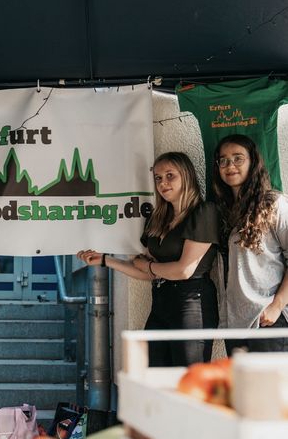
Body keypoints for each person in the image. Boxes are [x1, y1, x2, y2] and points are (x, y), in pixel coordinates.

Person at [77, 152, 219, 366]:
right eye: (158, 178)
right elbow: (147, 273)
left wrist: (149, 266)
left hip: (192, 302)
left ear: (186, 176)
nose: (163, 183)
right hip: (160, 302)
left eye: (170, 175)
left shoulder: (203, 212)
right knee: (153, 372)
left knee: (187, 376)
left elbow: (183, 271)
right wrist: (105, 260)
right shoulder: (158, 219)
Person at [212, 134, 288, 353]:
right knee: (240, 378)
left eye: (238, 158)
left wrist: (276, 306)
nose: (230, 166)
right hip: (235, 323)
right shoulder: (221, 211)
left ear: (253, 162)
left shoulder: (274, 204)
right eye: (223, 160)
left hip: (268, 319)